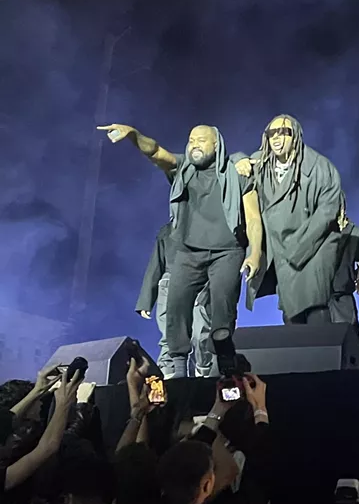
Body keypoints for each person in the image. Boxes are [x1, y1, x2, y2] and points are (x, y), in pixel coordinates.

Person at [99, 123, 263, 376]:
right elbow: (155, 152)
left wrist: (255, 253)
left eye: (201, 140)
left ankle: (223, 364)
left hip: (227, 251)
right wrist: (134, 135)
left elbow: (253, 218)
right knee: (176, 305)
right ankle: (176, 367)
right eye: (191, 140)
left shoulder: (237, 173)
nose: (194, 145)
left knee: (223, 306)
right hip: (189, 251)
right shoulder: (182, 168)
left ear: (216, 145)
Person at [234, 115, 342, 324]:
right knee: (290, 309)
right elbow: (228, 162)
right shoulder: (261, 163)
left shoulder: (319, 167)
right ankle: (298, 356)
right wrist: (239, 158)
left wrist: (297, 246)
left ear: (296, 136)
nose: (277, 138)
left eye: (284, 132)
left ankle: (321, 355)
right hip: (281, 249)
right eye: (272, 133)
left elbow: (327, 210)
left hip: (314, 248)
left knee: (314, 304)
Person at [135, 223, 214, 378]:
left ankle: (204, 371)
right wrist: (146, 300)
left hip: (201, 282)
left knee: (201, 333)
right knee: (169, 333)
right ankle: (170, 374)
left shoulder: (209, 226)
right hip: (170, 282)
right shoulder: (167, 231)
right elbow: (156, 263)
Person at [331, 195, 359, 339]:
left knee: (350, 337)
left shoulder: (355, 233)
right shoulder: (320, 231)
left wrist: (356, 276)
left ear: (342, 208)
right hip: (319, 297)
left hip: (342, 297)